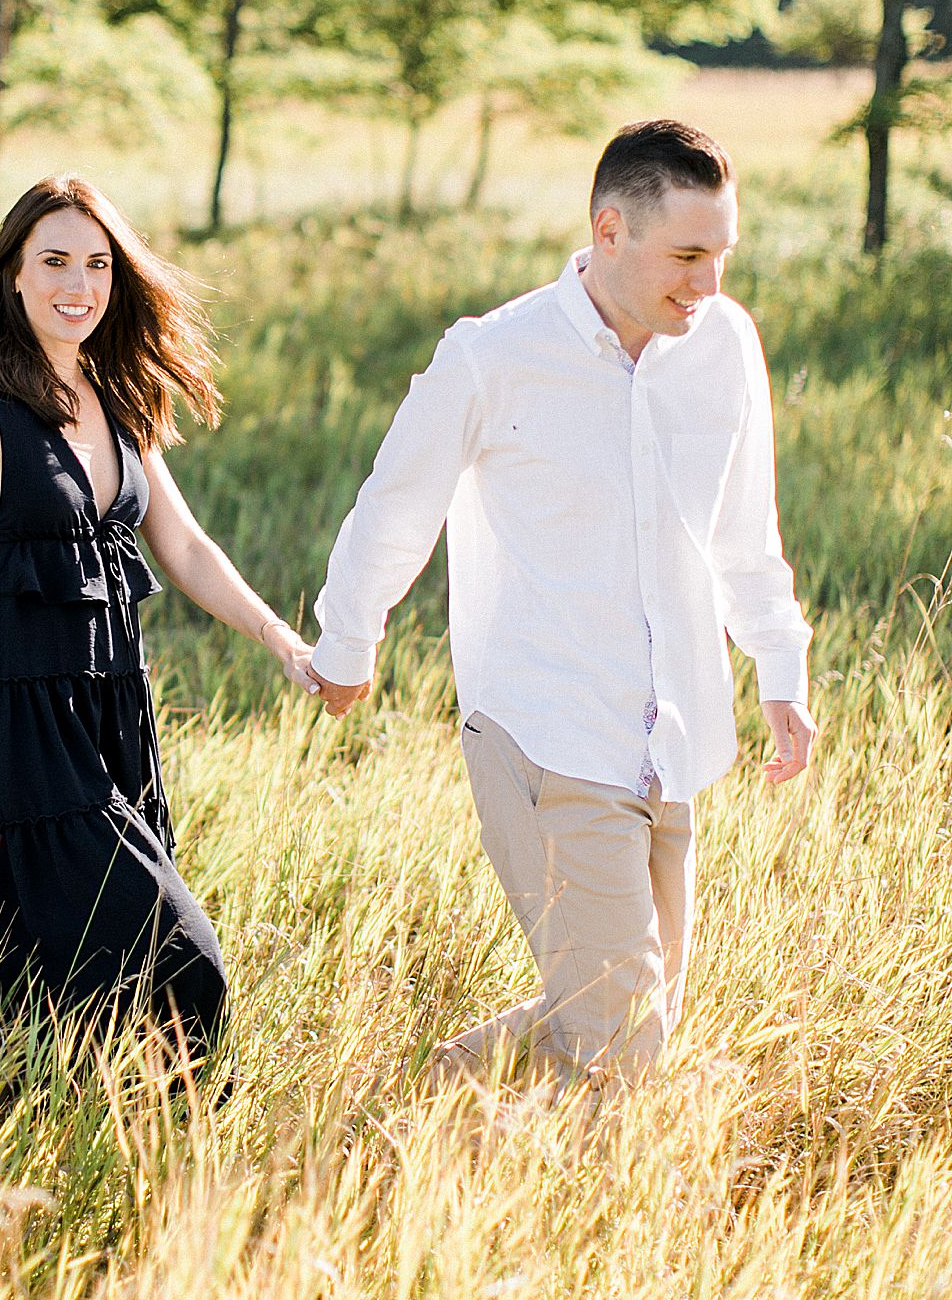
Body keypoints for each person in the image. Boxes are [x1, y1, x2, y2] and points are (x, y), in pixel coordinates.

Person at [307, 120, 816, 1092]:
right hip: (546, 736)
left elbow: (744, 532)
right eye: (685, 256)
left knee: (639, 998)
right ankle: (593, 1220)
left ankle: (442, 1085)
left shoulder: (724, 346)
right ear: (609, 228)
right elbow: (394, 505)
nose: (706, 285)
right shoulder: (492, 356)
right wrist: (346, 642)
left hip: (669, 739)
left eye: (720, 255)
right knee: (621, 1042)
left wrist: (777, 669)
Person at [0, 174, 316, 1068]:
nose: (76, 285)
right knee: (180, 966)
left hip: (114, 715)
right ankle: (177, 1145)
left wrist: (280, 636)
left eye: (97, 265)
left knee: (60, 988)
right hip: (13, 732)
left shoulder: (118, 394)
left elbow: (186, 548)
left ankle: (89, 1171)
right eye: (53, 262)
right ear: (12, 273)